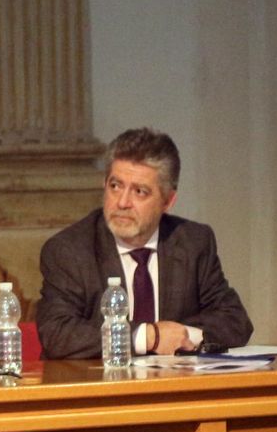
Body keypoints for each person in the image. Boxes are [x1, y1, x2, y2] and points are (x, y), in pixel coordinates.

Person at [38, 128, 252, 359]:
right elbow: (57, 334)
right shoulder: (69, 250)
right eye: (115, 186)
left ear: (168, 201)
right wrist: (149, 336)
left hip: (174, 388)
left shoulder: (193, 242)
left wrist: (180, 336)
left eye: (140, 191)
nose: (122, 202)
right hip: (100, 388)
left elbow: (235, 321)